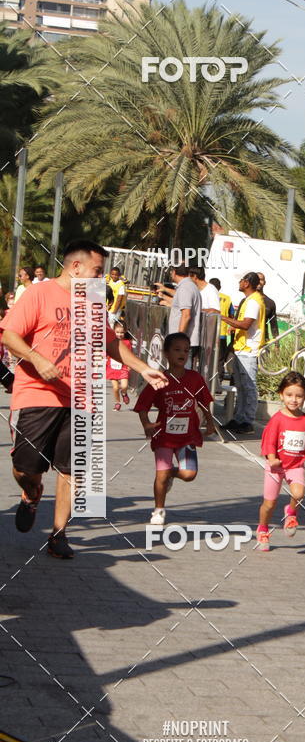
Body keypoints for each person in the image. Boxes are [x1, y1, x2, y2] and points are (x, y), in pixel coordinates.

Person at [0, 239, 167, 559]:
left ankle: (58, 534)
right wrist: (37, 359)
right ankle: (32, 493)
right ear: (75, 267)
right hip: (37, 393)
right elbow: (9, 335)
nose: (101, 278)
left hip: (80, 397)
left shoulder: (93, 301)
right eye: (97, 271)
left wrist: (143, 368)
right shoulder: (38, 294)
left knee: (71, 469)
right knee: (25, 467)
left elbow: (109, 343)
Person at [134, 332, 215, 527]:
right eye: (177, 350)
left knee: (189, 474)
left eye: (186, 351)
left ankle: (170, 474)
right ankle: (159, 510)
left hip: (187, 436)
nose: (182, 354)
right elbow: (143, 405)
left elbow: (204, 402)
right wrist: (146, 424)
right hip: (164, 436)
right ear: (166, 353)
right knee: (160, 475)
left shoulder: (195, 378)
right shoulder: (159, 379)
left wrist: (210, 422)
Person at [257, 371, 305, 551]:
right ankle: (263, 529)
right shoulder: (277, 419)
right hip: (276, 468)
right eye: (289, 395)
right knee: (269, 504)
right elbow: (269, 441)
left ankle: (291, 512)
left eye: (299, 396)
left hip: (295, 465)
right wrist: (272, 458)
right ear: (281, 395)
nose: (294, 400)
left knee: (299, 494)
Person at [220, 272, 266, 435]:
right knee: (240, 387)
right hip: (241, 349)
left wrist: (223, 318)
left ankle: (248, 421)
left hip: (248, 350)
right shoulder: (249, 300)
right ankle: (239, 418)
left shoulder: (253, 301)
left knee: (249, 387)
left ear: (247, 283)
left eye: (241, 280)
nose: (239, 283)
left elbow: (246, 324)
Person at [167, 265, 201, 369]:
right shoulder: (188, 286)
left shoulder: (185, 287)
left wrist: (179, 339)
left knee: (180, 374)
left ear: (174, 272)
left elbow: (186, 315)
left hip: (183, 344)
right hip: (184, 343)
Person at [210, 277, 234, 380]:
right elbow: (232, 316)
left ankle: (207, 380)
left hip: (208, 334)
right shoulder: (227, 298)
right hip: (221, 334)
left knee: (207, 358)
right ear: (219, 287)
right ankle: (219, 380)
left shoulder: (206, 296)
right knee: (220, 359)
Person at [106, 320, 132, 410]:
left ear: (125, 332)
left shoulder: (127, 342)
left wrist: (129, 365)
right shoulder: (110, 341)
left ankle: (124, 393)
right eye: (117, 332)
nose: (119, 334)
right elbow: (106, 351)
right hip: (112, 367)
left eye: (122, 332)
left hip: (123, 367)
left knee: (124, 386)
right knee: (115, 387)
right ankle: (117, 403)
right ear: (113, 331)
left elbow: (130, 355)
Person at [257, 272, 280, 341]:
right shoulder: (246, 300)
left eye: (261, 279)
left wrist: (277, 344)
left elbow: (274, 325)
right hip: (246, 341)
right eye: (257, 279)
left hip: (263, 340)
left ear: (264, 282)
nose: (259, 281)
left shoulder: (270, 303)